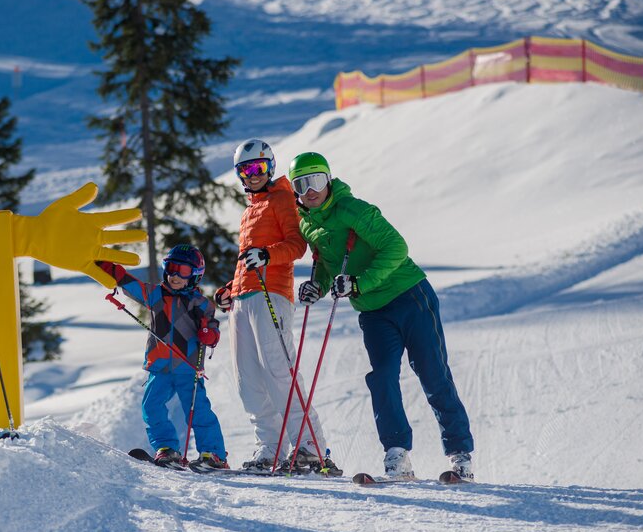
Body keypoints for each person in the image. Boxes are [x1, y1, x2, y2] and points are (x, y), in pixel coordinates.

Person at [289, 151, 475, 480]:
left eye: (316, 180)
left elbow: (396, 247)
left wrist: (359, 283)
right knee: (382, 378)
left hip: (410, 297)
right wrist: (317, 287)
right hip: (372, 312)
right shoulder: (307, 224)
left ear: (328, 180)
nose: (311, 190)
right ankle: (397, 454)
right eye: (301, 185)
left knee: (433, 374)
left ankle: (460, 455)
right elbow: (329, 266)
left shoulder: (353, 210)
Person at [214, 139, 340, 474]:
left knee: (278, 371)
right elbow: (246, 260)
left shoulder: (283, 198)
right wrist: (229, 290)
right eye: (246, 170)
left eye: (259, 167)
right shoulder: (249, 209)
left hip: (271, 293)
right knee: (248, 379)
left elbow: (297, 244)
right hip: (242, 299)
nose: (253, 175)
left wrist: (267, 255)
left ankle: (310, 447)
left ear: (270, 166)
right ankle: (270, 447)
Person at [98, 245, 229, 470]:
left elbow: (212, 330)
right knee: (151, 407)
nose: (175, 275)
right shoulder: (156, 295)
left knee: (197, 411)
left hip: (187, 367)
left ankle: (213, 454)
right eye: (171, 268)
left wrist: (209, 333)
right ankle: (167, 449)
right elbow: (130, 284)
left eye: (183, 271)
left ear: (195, 275)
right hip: (159, 367)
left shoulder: (201, 304)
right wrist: (108, 268)